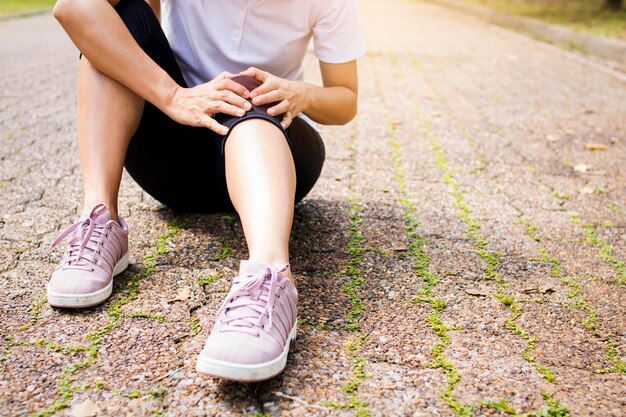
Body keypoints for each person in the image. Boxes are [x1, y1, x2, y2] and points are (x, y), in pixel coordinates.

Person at [48, 0, 364, 382]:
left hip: (270, 157)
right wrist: (172, 96)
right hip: (177, 163)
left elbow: (345, 99)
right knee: (119, 22)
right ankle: (100, 218)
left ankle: (269, 277)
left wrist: (301, 93)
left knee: (247, 89)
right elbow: (74, 8)